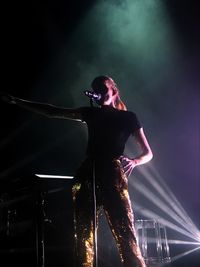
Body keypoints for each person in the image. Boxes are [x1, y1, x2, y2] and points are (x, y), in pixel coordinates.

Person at [2, 75, 153, 267]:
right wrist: (17, 101)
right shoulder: (91, 113)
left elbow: (148, 153)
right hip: (88, 172)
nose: (98, 91)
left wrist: (135, 161)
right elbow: (53, 112)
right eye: (95, 88)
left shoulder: (128, 117)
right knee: (83, 234)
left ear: (113, 90)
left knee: (125, 231)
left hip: (112, 173)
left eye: (102, 87)